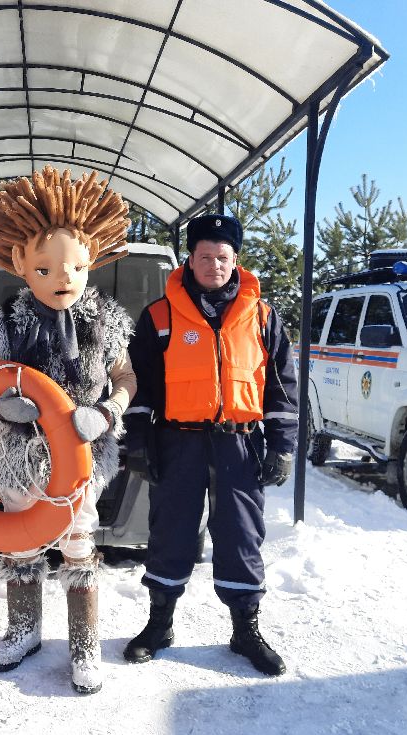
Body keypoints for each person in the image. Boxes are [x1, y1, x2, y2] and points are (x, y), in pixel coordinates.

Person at [0, 166, 135, 694]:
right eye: (46, 268)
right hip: (21, 455)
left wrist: (108, 411)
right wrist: (5, 408)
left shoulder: (106, 322)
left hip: (83, 455)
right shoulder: (8, 322)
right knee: (21, 541)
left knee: (77, 540)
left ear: (93, 260)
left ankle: (84, 646)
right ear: (21, 263)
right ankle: (23, 630)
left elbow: (125, 376)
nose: (62, 278)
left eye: (74, 267)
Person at [123, 213, 298, 676]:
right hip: (178, 442)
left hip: (240, 446)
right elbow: (141, 384)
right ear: (191, 259)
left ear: (235, 259)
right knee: (170, 532)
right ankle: (159, 624)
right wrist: (138, 438)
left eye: (223, 257)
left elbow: (282, 387)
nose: (215, 265)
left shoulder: (262, 316)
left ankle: (245, 630)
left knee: (242, 536)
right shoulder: (160, 316)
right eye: (206, 257)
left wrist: (281, 445)